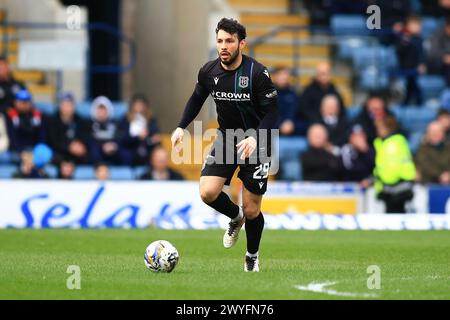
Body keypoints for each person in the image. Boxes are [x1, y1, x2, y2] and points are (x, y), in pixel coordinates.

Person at [170, 18, 278, 272]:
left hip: (259, 142)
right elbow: (196, 99)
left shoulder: (257, 74)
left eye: (229, 41)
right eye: (219, 41)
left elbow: (273, 114)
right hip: (227, 138)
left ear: (242, 43)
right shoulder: (208, 71)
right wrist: (180, 126)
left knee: (252, 209)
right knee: (207, 192)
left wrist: (255, 137)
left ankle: (252, 255)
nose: (223, 46)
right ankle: (234, 216)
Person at [373, 116, 416, 213]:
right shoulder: (382, 143)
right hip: (389, 185)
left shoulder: (394, 143)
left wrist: (387, 182)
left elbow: (393, 165)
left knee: (397, 213)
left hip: (398, 185)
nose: (378, 131)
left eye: (380, 128)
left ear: (388, 128)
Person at [118, 93, 161, 165]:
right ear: (132, 106)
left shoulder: (151, 120)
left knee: (158, 152)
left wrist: (150, 136)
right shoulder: (125, 119)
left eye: (141, 105)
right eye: (137, 105)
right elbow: (122, 137)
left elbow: (155, 135)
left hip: (147, 147)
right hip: (130, 148)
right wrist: (137, 137)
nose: (139, 107)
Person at [46, 92, 89, 164]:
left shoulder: (80, 121)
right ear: (60, 106)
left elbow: (86, 137)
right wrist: (69, 147)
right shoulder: (52, 121)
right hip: (59, 153)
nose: (67, 108)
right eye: (65, 105)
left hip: (77, 154)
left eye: (70, 105)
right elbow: (52, 141)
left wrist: (81, 145)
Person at [393, 15, 426, 105]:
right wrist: (403, 39)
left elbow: (421, 53)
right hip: (404, 69)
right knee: (409, 88)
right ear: (408, 26)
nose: (418, 27)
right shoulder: (402, 38)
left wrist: (421, 64)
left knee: (414, 88)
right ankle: (406, 104)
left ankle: (417, 104)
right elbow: (399, 51)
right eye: (415, 25)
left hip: (414, 69)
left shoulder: (419, 39)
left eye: (419, 25)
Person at [5, 89, 45, 154]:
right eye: (21, 102)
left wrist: (36, 152)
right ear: (15, 102)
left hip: (34, 149)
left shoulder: (38, 115)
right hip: (16, 150)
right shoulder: (10, 116)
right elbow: (12, 138)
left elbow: (42, 136)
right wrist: (21, 152)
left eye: (26, 102)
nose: (24, 105)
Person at [271, 67, 304, 136]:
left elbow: (294, 111)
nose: (283, 77)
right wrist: (280, 124)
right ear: (274, 76)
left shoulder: (293, 93)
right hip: (274, 128)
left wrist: (290, 122)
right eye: (280, 74)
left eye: (285, 74)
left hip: (291, 127)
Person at [88, 96, 120, 165]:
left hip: (113, 151)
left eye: (104, 110)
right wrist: (102, 146)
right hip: (97, 152)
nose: (102, 112)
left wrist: (114, 145)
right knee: (94, 151)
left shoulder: (115, 124)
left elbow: (120, 137)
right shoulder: (88, 125)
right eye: (99, 110)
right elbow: (88, 140)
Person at [426, 15, 450, 85]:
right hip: (437, 63)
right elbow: (432, 53)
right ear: (447, 27)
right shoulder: (437, 34)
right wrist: (444, 57)